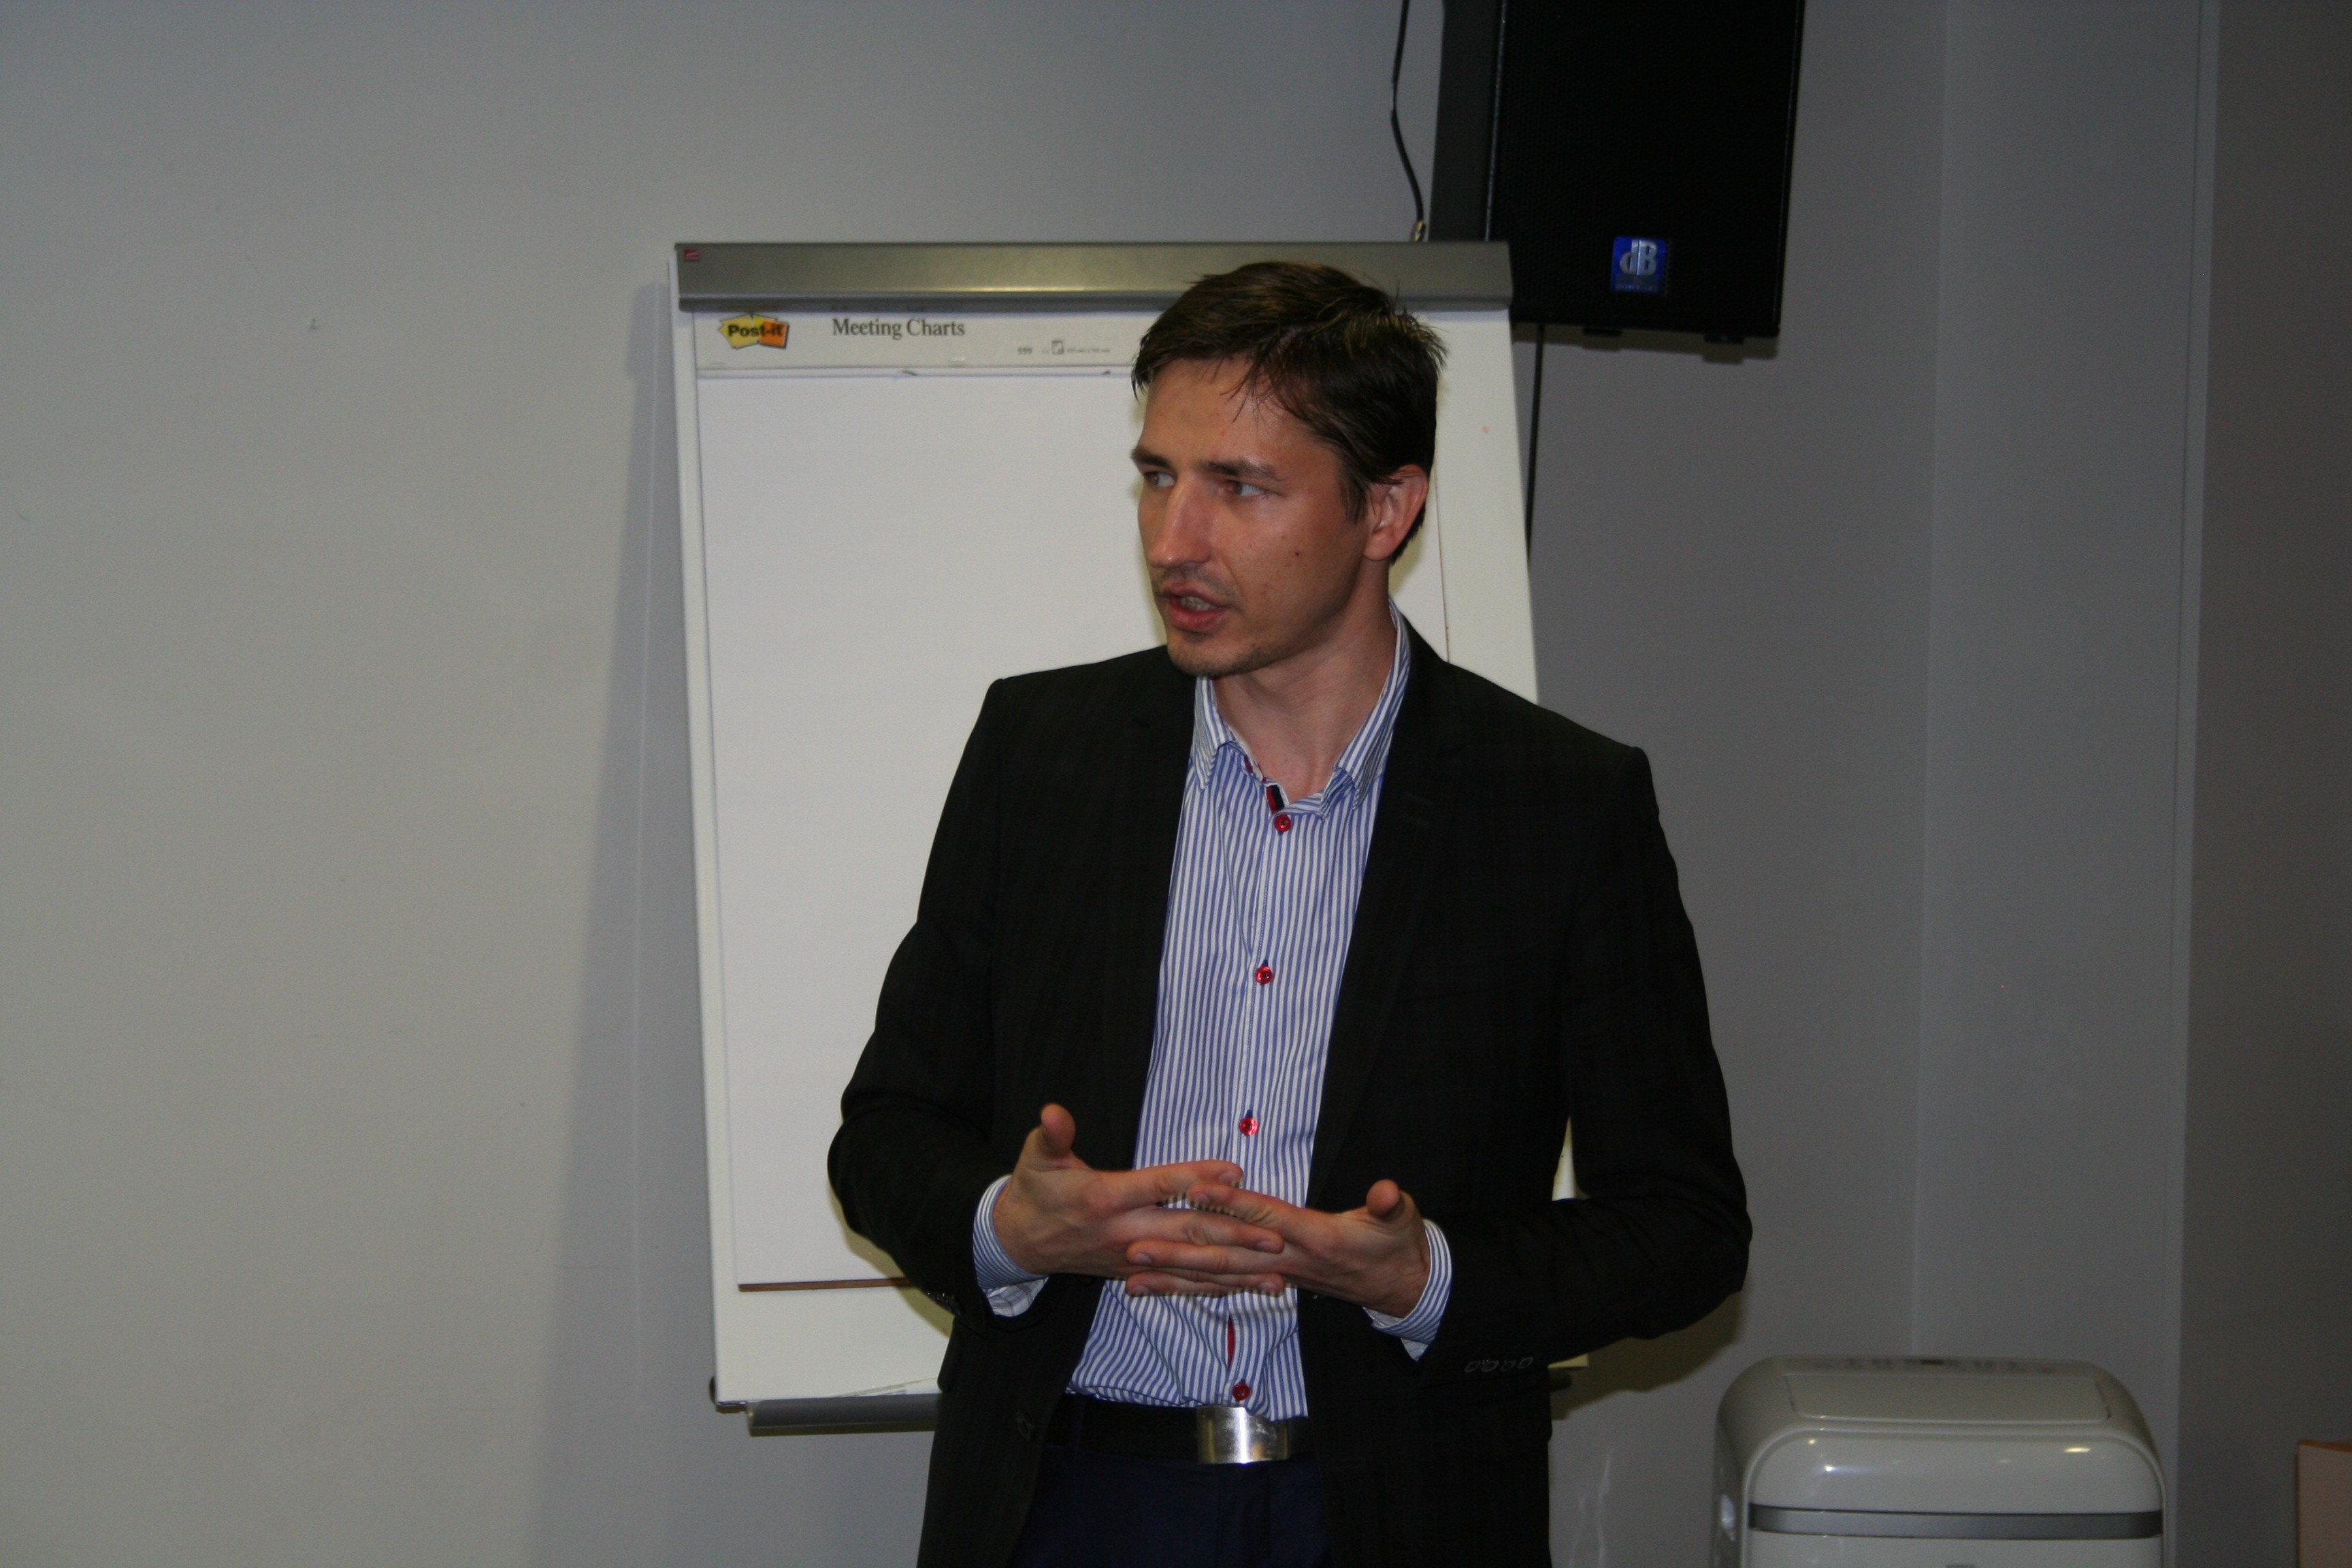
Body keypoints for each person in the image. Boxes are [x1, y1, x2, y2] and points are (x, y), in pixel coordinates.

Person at [829, 261, 1748, 1568]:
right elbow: (884, 1134)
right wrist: (1009, 1229)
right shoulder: (1042, 753)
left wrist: (1424, 1277)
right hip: (1076, 1494)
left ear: (1388, 507)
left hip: (1395, 1507)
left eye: (1240, 488)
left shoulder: (1559, 804)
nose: (1174, 540)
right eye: (1158, 477)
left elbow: (1684, 1226)